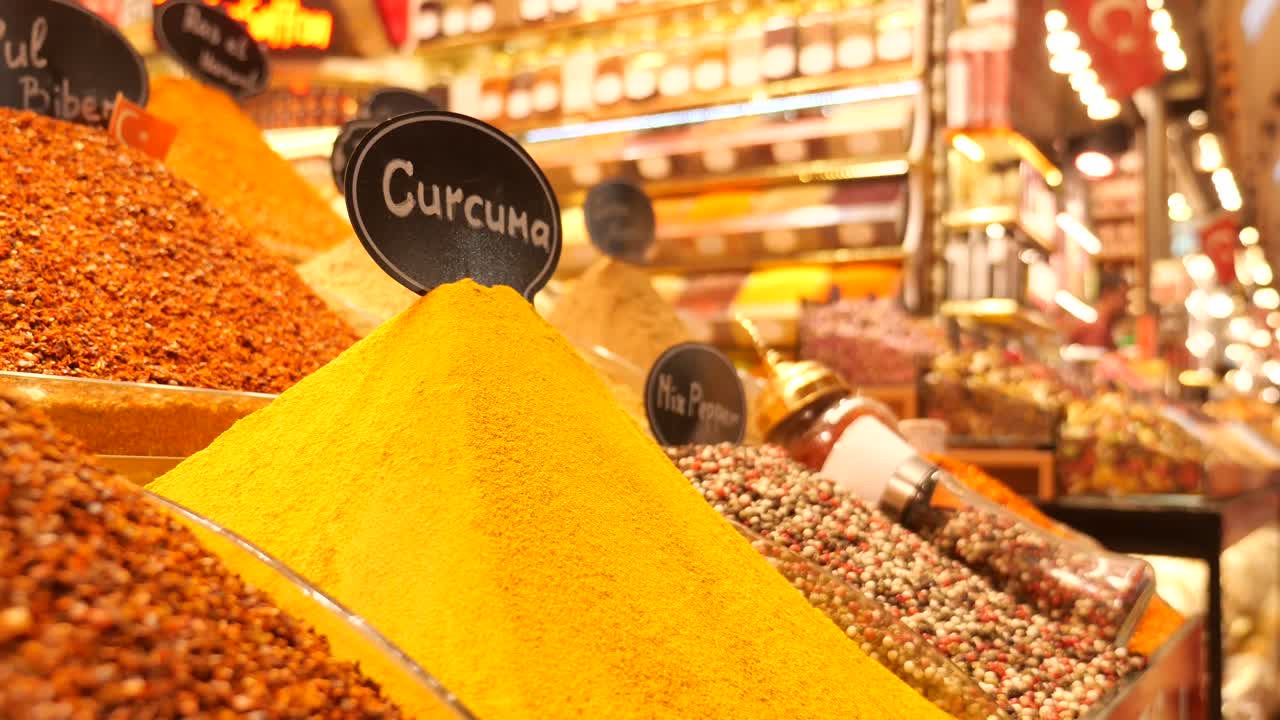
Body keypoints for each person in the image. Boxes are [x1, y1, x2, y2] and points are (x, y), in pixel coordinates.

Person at [1065, 271, 1130, 349]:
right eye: (1123, 296)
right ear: (1107, 295)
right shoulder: (1095, 329)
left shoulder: (1101, 326)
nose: (1126, 303)